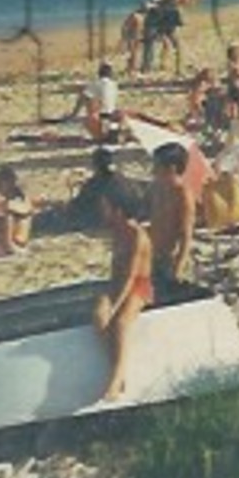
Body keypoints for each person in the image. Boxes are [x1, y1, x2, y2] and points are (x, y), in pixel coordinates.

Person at [91, 180, 153, 402]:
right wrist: (108, 299)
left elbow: (132, 276)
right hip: (119, 284)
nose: (102, 209)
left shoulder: (137, 236)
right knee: (99, 315)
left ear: (118, 209)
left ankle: (116, 378)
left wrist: (116, 305)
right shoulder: (116, 231)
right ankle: (117, 368)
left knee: (120, 322)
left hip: (138, 286)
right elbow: (116, 272)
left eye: (105, 206)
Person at [148, 142, 196, 300]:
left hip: (171, 259)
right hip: (155, 255)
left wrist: (178, 267)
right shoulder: (157, 188)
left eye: (157, 166)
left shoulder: (182, 195)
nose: (153, 170)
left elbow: (186, 235)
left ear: (172, 168)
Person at [76, 62, 120, 142]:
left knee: (89, 101)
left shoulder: (95, 84)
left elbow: (83, 98)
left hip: (100, 119)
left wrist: (74, 113)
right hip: (112, 117)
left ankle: (99, 136)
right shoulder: (114, 85)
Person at [120, 6, 146, 76]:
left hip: (137, 37)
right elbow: (125, 26)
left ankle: (132, 69)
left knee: (135, 54)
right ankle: (131, 70)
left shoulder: (142, 16)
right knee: (132, 54)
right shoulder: (135, 15)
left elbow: (141, 28)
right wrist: (125, 37)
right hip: (132, 37)